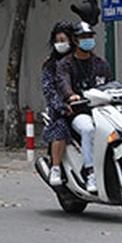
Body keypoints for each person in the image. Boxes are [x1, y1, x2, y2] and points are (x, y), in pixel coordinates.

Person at [56, 21, 111, 193]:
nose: (87, 40)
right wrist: (70, 95)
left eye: (90, 36)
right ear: (75, 40)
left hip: (101, 111)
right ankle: (90, 173)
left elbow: (109, 84)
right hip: (79, 111)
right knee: (88, 129)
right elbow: (63, 82)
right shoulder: (66, 64)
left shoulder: (101, 63)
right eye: (83, 37)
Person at [41, 21, 76, 187]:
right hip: (61, 109)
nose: (61, 44)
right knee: (61, 127)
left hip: (84, 105)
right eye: (58, 41)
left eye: (64, 40)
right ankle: (55, 167)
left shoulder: (82, 60)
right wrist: (61, 106)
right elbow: (49, 90)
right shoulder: (50, 64)